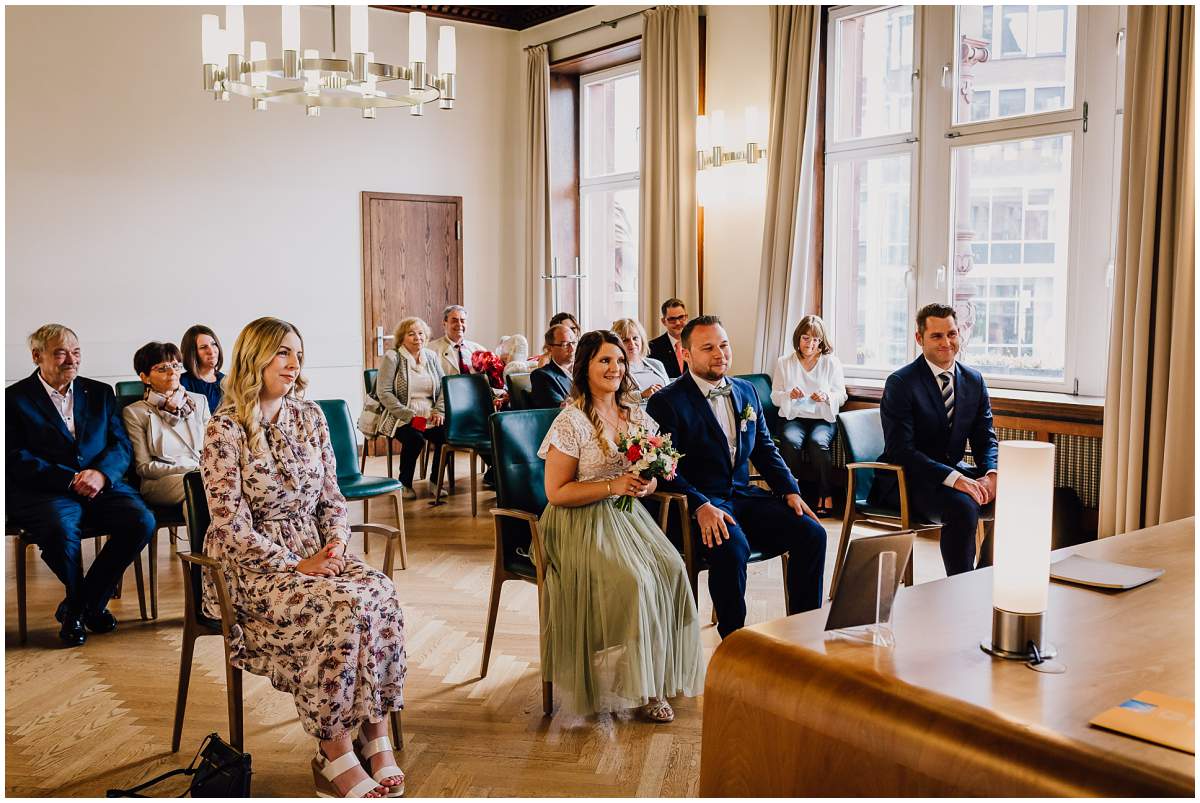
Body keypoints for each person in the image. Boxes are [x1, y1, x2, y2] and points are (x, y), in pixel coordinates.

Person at [201, 316, 406, 798]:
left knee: (379, 592)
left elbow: (332, 497)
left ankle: (375, 734)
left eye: (297, 353)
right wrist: (296, 564)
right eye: (282, 353)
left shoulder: (310, 417)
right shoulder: (224, 429)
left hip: (316, 549)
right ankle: (333, 751)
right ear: (254, 358)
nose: (293, 364)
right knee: (338, 609)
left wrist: (335, 544)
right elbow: (230, 527)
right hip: (253, 566)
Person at [538, 330, 703, 720]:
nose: (615, 368)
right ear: (586, 367)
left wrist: (649, 482)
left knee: (672, 569)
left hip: (626, 516)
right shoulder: (571, 421)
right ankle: (643, 690)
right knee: (634, 581)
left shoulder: (635, 413)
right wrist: (611, 485)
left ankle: (660, 675)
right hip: (576, 521)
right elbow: (556, 492)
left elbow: (653, 470)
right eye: (604, 361)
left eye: (619, 360)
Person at [647, 316, 827, 639]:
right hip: (698, 506)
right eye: (708, 348)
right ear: (686, 354)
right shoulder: (666, 402)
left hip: (742, 496)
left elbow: (765, 448)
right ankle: (735, 641)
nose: (720, 354)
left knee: (812, 532)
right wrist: (700, 505)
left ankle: (803, 634)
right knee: (732, 546)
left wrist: (790, 489)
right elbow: (664, 468)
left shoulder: (746, 391)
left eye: (724, 345)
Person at [6, 323, 156, 647]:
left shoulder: (100, 392)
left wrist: (100, 474)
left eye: (76, 352)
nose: (70, 359)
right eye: (60, 353)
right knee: (61, 531)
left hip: (100, 485)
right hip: (46, 490)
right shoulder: (13, 399)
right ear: (37, 356)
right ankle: (84, 607)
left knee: (141, 520)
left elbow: (120, 446)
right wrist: (69, 479)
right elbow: (14, 456)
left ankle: (79, 605)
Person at [873, 303, 999, 576]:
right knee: (964, 505)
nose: (947, 342)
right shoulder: (901, 383)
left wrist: (991, 474)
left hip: (952, 474)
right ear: (919, 339)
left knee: (1015, 494)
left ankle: (986, 576)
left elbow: (985, 437)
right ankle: (961, 587)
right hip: (906, 479)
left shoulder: (974, 380)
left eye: (952, 334)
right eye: (937, 336)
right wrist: (956, 480)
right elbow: (901, 451)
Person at [770, 315, 847, 517]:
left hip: (822, 418)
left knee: (818, 443)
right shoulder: (784, 362)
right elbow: (775, 397)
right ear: (798, 338)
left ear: (821, 341)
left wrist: (826, 396)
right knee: (790, 441)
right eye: (806, 338)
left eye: (815, 340)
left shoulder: (831, 363)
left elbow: (842, 395)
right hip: (793, 417)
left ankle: (825, 494)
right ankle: (792, 493)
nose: (810, 344)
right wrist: (789, 394)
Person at [122, 341, 211, 506]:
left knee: (197, 499)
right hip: (159, 482)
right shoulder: (135, 412)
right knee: (203, 487)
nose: (172, 372)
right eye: (162, 368)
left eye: (176, 366)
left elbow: (213, 449)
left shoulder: (199, 401)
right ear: (145, 378)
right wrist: (192, 468)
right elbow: (144, 467)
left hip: (203, 477)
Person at [375, 317, 446, 499]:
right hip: (399, 416)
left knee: (447, 436)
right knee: (415, 439)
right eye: (411, 334)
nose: (417, 338)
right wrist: (409, 416)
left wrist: (439, 411)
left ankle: (435, 482)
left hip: (430, 415)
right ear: (402, 337)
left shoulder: (431, 356)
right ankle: (404, 483)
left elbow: (444, 387)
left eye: (420, 333)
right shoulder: (393, 357)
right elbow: (384, 393)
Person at [611, 317, 669, 399]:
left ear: (642, 339)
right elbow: (613, 398)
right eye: (625, 340)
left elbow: (670, 388)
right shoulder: (615, 369)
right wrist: (641, 395)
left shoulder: (656, 364)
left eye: (635, 338)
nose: (632, 343)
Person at [428, 305, 486, 377]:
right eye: (454, 321)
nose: (459, 324)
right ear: (444, 323)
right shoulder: (430, 350)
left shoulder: (479, 350)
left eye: (462, 321)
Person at [180, 324, 226, 415]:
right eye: (203, 347)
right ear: (192, 353)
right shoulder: (182, 383)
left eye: (213, 344)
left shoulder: (228, 381)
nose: (211, 351)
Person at [530, 323, 577, 408]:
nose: (572, 349)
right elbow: (558, 411)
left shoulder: (585, 371)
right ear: (550, 348)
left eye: (573, 343)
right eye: (565, 344)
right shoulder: (541, 376)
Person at [647, 298, 689, 379]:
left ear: (686, 317)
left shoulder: (696, 343)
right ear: (663, 321)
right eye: (672, 319)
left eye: (681, 317)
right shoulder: (652, 347)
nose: (677, 323)